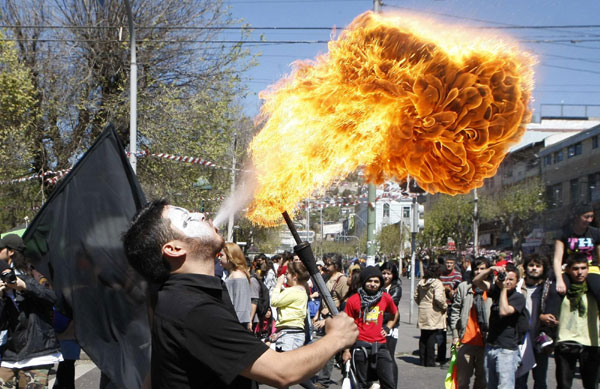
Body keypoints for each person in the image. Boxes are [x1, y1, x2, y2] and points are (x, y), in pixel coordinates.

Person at [122, 200, 358, 389]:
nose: (200, 215)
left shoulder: (179, 296)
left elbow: (156, 374)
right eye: (186, 219)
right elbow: (282, 372)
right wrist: (336, 337)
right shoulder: (193, 310)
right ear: (174, 249)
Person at [0, 234, 62, 388]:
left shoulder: (33, 274)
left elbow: (52, 296)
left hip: (37, 351)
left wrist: (25, 286)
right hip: (11, 353)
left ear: (10, 252)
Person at [472, 262, 527, 389]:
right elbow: (476, 281)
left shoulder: (518, 298)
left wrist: (502, 289)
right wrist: (490, 269)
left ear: (517, 282)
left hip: (507, 349)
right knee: (490, 385)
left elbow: (504, 311)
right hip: (491, 346)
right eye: (505, 278)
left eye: (511, 279)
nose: (507, 282)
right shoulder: (496, 290)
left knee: (504, 386)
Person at [342, 266, 398, 389]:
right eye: (369, 281)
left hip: (381, 346)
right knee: (362, 385)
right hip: (360, 348)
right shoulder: (353, 300)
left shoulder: (385, 297)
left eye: (376, 281)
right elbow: (346, 327)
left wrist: (388, 327)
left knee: (389, 383)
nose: (372, 284)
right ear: (363, 282)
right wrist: (346, 351)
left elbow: (395, 313)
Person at [551, 253, 599, 389]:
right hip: (566, 342)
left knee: (591, 385)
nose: (580, 272)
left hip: (591, 342)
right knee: (564, 385)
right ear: (568, 270)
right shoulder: (561, 291)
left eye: (583, 268)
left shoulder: (594, 290)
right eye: (575, 268)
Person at [449, 257, 492, 389]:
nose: (478, 271)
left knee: (482, 381)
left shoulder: (492, 289)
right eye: (476, 269)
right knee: (462, 381)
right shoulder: (464, 287)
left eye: (482, 269)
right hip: (465, 341)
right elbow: (455, 311)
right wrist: (455, 335)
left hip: (486, 342)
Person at [515, 254, 551, 389]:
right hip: (522, 340)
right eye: (531, 265)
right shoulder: (518, 287)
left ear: (543, 269)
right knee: (519, 380)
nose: (534, 269)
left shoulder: (547, 289)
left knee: (540, 380)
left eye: (538, 266)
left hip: (540, 339)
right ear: (525, 268)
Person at [313, 253, 348, 389]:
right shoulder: (326, 277)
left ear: (336, 265)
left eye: (329, 264)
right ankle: (348, 375)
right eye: (325, 264)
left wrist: (332, 314)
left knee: (329, 350)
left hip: (335, 319)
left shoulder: (342, 280)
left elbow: (347, 302)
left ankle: (324, 381)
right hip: (324, 317)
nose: (326, 267)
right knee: (337, 350)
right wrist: (317, 314)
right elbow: (323, 298)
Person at [414, 262, 448, 367]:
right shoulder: (437, 283)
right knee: (431, 337)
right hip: (433, 311)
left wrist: (422, 303)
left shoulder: (421, 282)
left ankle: (422, 359)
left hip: (423, 310)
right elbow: (438, 298)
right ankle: (430, 361)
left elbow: (416, 296)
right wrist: (444, 306)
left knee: (423, 336)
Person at [221, 242, 253, 330]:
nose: (219, 258)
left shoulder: (238, 277)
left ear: (230, 256)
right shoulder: (232, 275)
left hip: (235, 324)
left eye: (221, 255)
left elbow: (241, 306)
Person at [379, 261, 401, 387]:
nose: (386, 276)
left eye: (389, 274)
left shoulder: (396, 288)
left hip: (390, 325)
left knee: (389, 356)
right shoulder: (379, 286)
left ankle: (392, 384)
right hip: (378, 324)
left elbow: (390, 307)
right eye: (384, 273)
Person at [439, 255, 462, 364]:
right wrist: (446, 288)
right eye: (447, 263)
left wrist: (445, 287)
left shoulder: (457, 274)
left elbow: (453, 285)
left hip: (453, 307)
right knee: (441, 332)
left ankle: (453, 356)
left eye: (451, 263)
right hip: (442, 307)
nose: (449, 265)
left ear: (454, 264)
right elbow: (442, 287)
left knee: (455, 333)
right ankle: (441, 356)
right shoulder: (441, 274)